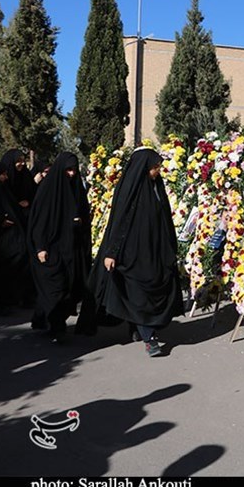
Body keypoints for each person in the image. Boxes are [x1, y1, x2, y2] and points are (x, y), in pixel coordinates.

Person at [89, 148, 183, 357]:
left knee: (150, 291)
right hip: (132, 253)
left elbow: (165, 219)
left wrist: (170, 248)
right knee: (139, 293)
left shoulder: (156, 187)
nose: (157, 171)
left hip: (155, 251)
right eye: (154, 167)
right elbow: (120, 223)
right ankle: (150, 338)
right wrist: (112, 252)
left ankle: (136, 327)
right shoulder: (131, 189)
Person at [27, 152, 93, 341]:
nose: (72, 174)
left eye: (74, 170)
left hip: (71, 249)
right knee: (54, 289)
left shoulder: (76, 191)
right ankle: (57, 327)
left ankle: (50, 321)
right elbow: (40, 222)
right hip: (51, 249)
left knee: (69, 288)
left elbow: (84, 215)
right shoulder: (48, 190)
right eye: (68, 170)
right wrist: (40, 247)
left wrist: (79, 222)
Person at [0, 160, 30, 314]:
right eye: (3, 174)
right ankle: (3, 303)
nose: (6, 177)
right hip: (0, 240)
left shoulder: (3, 189)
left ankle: (13, 299)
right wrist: (0, 220)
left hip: (12, 237)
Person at [1, 149, 37, 220]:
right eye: (19, 161)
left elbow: (33, 193)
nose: (23, 163)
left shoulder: (26, 176)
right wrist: (16, 205)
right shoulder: (3, 180)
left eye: (23, 160)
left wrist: (29, 202)